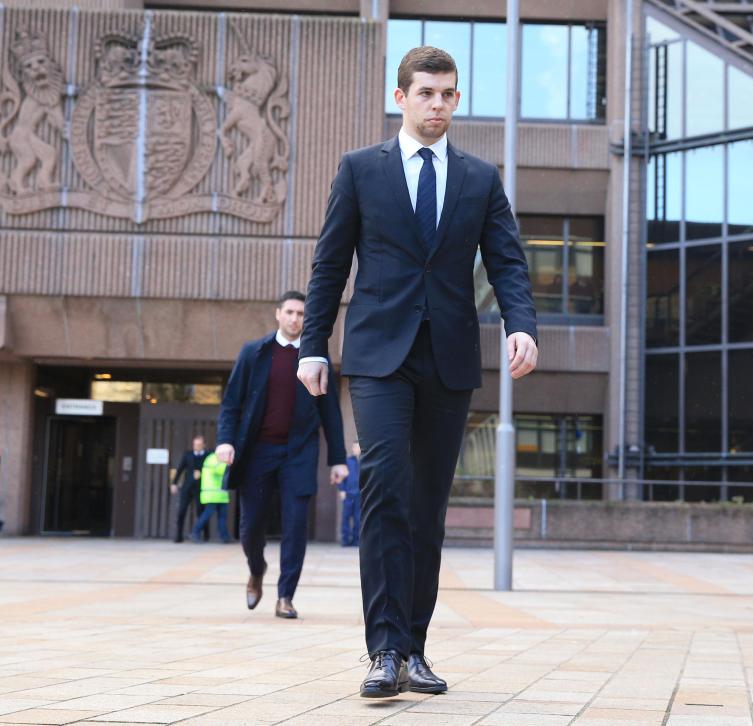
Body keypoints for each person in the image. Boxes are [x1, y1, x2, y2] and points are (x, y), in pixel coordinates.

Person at [298, 46, 538, 698]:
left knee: (428, 507)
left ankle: (414, 648)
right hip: (378, 356)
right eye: (426, 92)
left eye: (448, 94)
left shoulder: (479, 179)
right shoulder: (359, 171)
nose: (437, 104)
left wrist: (521, 324)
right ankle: (382, 649)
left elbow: (508, 263)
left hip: (449, 358)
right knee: (384, 490)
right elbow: (329, 265)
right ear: (400, 97)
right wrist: (312, 345)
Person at [217, 291, 349, 620]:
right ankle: (257, 568)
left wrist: (338, 458)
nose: (294, 319)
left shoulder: (315, 360)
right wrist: (225, 441)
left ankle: (285, 596)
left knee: (295, 526)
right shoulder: (254, 353)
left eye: (301, 314)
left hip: (298, 454)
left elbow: (331, 412)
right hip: (258, 452)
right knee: (250, 528)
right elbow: (232, 403)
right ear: (278, 314)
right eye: (289, 312)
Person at [170, 435, 209, 543]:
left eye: (199, 445)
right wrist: (174, 483)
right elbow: (180, 469)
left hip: (201, 488)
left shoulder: (208, 455)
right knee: (181, 511)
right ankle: (178, 536)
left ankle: (205, 535)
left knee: (200, 511)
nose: (196, 447)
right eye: (195, 445)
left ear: (203, 445)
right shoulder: (188, 455)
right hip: (187, 488)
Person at [191, 452, 231, 543]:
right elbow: (221, 470)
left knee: (222, 517)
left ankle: (224, 537)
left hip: (221, 494)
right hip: (213, 494)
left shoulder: (214, 458)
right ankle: (195, 532)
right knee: (207, 515)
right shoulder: (213, 458)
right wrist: (229, 464)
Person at [339, 441, 361, 546]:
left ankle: (356, 540)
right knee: (346, 517)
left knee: (358, 518)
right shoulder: (348, 461)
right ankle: (345, 540)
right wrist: (342, 489)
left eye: (358, 447)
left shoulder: (364, 461)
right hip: (348, 494)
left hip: (359, 494)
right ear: (352, 448)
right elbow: (341, 477)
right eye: (354, 447)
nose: (356, 449)